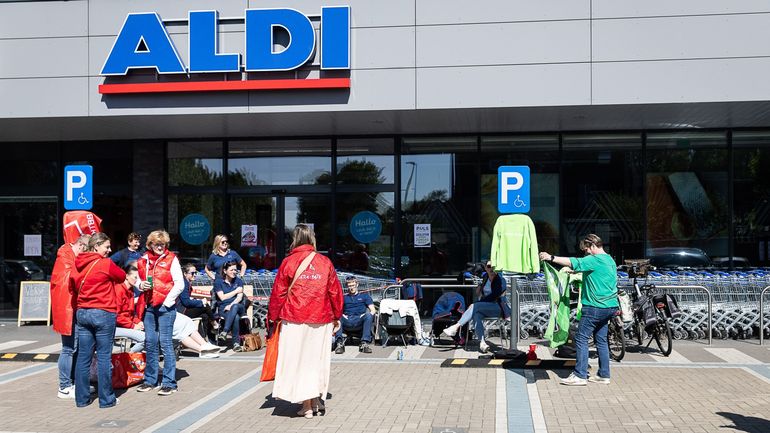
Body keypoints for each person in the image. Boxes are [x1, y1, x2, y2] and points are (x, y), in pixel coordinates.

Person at [268, 224, 343, 418]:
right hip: (321, 317)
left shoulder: (288, 262)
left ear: (295, 238)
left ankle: (307, 405)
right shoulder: (324, 262)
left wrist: (273, 317)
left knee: (297, 361)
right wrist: (337, 315)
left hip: (293, 317)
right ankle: (314, 399)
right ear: (312, 238)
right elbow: (334, 291)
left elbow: (278, 293)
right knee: (315, 361)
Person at [539, 234, 619, 386]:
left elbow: (572, 261)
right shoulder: (610, 260)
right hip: (610, 306)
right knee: (601, 341)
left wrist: (551, 257)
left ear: (593, 246)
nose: (586, 253)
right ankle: (604, 375)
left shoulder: (594, 259)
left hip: (594, 307)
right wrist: (575, 272)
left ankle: (580, 375)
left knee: (581, 339)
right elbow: (595, 274)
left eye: (586, 250)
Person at [74, 233, 126, 408]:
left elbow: (72, 284)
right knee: (104, 357)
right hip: (103, 312)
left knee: (83, 358)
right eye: (107, 247)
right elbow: (121, 276)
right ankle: (106, 399)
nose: (109, 250)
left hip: (82, 313)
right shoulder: (105, 264)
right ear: (96, 246)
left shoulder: (78, 263)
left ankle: (81, 399)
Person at [136, 230, 184, 396]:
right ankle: (150, 380)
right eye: (157, 244)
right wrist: (140, 285)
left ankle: (169, 382)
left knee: (165, 343)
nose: (160, 247)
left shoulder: (172, 259)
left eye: (162, 244)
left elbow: (180, 284)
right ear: (150, 245)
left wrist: (167, 302)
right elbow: (135, 279)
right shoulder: (143, 260)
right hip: (149, 306)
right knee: (150, 342)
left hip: (165, 307)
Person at [51, 234, 90, 399]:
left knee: (76, 347)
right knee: (69, 348)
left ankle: (72, 383)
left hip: (72, 308)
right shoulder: (65, 258)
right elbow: (70, 280)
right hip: (68, 309)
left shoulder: (68, 256)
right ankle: (64, 386)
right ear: (81, 246)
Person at [441, 261, 508, 353]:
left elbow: (495, 295)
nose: (491, 268)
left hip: (498, 307)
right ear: (485, 268)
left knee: (474, 307)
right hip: (485, 307)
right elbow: (480, 292)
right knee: (476, 314)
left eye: (493, 266)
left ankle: (456, 326)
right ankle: (482, 343)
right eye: (489, 266)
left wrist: (477, 304)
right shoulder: (485, 278)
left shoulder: (501, 280)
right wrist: (480, 288)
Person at [333, 276, 375, 354]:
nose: (352, 288)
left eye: (353, 285)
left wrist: (365, 316)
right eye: (350, 286)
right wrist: (341, 315)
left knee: (369, 315)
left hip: (359, 320)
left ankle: (364, 343)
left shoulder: (365, 296)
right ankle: (339, 343)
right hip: (347, 320)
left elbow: (373, 310)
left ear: (357, 285)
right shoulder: (344, 297)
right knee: (338, 316)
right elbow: (338, 310)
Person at [178, 263, 216, 343]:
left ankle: (204, 339)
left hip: (184, 309)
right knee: (205, 306)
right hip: (181, 312)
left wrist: (196, 300)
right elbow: (186, 302)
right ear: (185, 274)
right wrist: (201, 301)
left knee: (205, 315)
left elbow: (187, 299)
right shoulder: (184, 283)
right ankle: (215, 324)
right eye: (192, 273)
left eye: (196, 273)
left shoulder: (187, 283)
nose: (195, 275)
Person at [214, 261, 246, 352]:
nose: (234, 272)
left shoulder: (238, 281)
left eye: (235, 270)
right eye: (231, 270)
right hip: (224, 309)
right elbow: (222, 298)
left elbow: (239, 298)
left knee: (235, 307)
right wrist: (236, 291)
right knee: (235, 317)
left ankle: (225, 331)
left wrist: (231, 305)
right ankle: (236, 343)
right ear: (225, 271)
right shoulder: (218, 282)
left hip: (238, 306)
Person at [114, 265, 145, 352]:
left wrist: (138, 322)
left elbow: (130, 314)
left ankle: (127, 357)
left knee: (150, 335)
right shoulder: (118, 289)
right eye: (135, 277)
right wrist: (133, 325)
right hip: (115, 326)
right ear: (127, 276)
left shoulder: (130, 291)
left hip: (125, 324)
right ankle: (127, 358)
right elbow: (116, 315)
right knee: (145, 339)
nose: (137, 280)